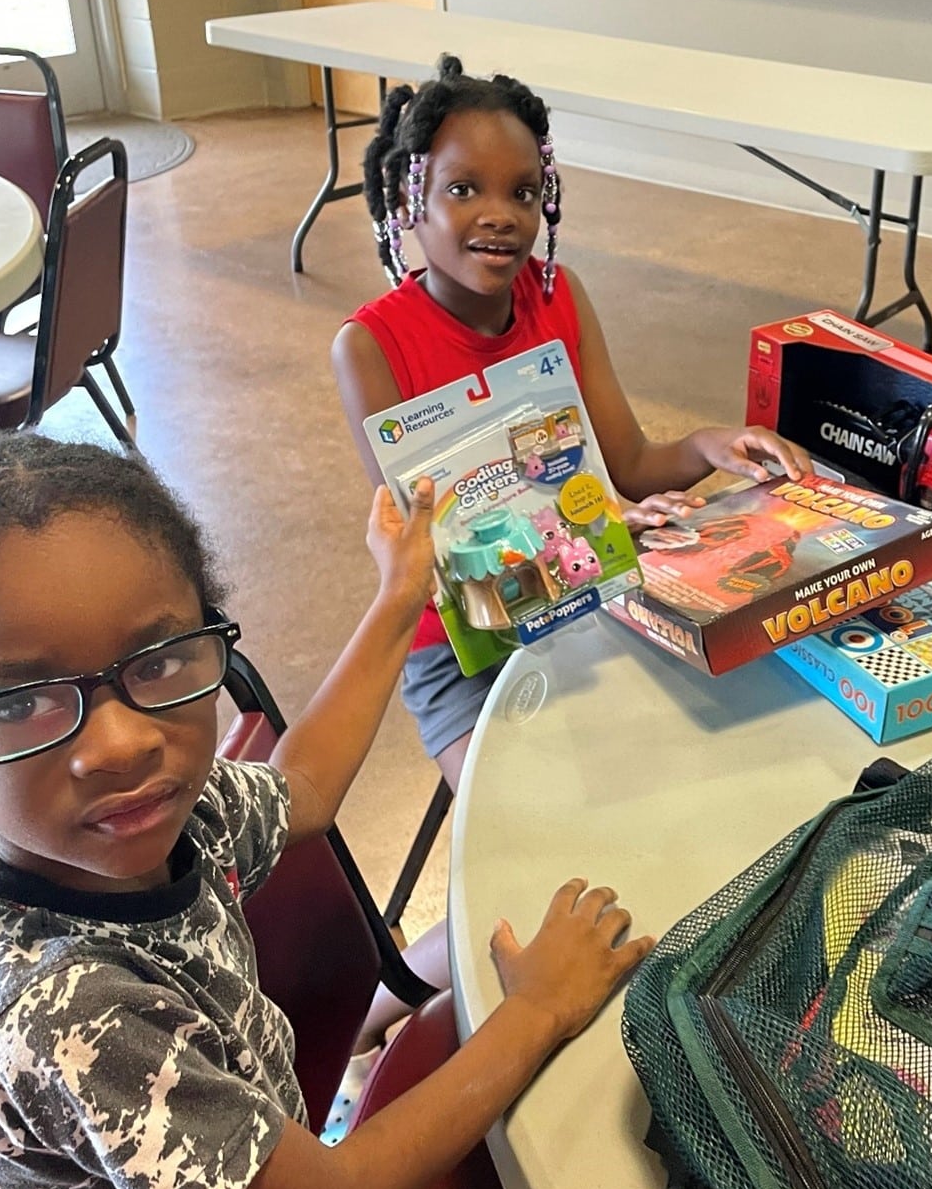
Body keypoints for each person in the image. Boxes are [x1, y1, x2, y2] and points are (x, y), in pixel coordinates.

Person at [0, 433, 651, 1189]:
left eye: (158, 660)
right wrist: (535, 1009)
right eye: (17, 698)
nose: (118, 741)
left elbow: (295, 792)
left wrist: (397, 596)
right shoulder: (69, 1010)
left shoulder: (161, 815)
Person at [332, 56, 810, 798]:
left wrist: (712, 444)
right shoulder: (368, 348)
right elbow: (440, 548)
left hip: (586, 602)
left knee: (692, 763)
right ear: (408, 197)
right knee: (528, 815)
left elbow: (631, 464)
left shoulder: (559, 296)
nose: (500, 214)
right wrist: (599, 525)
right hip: (466, 651)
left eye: (523, 191)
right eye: (463, 189)